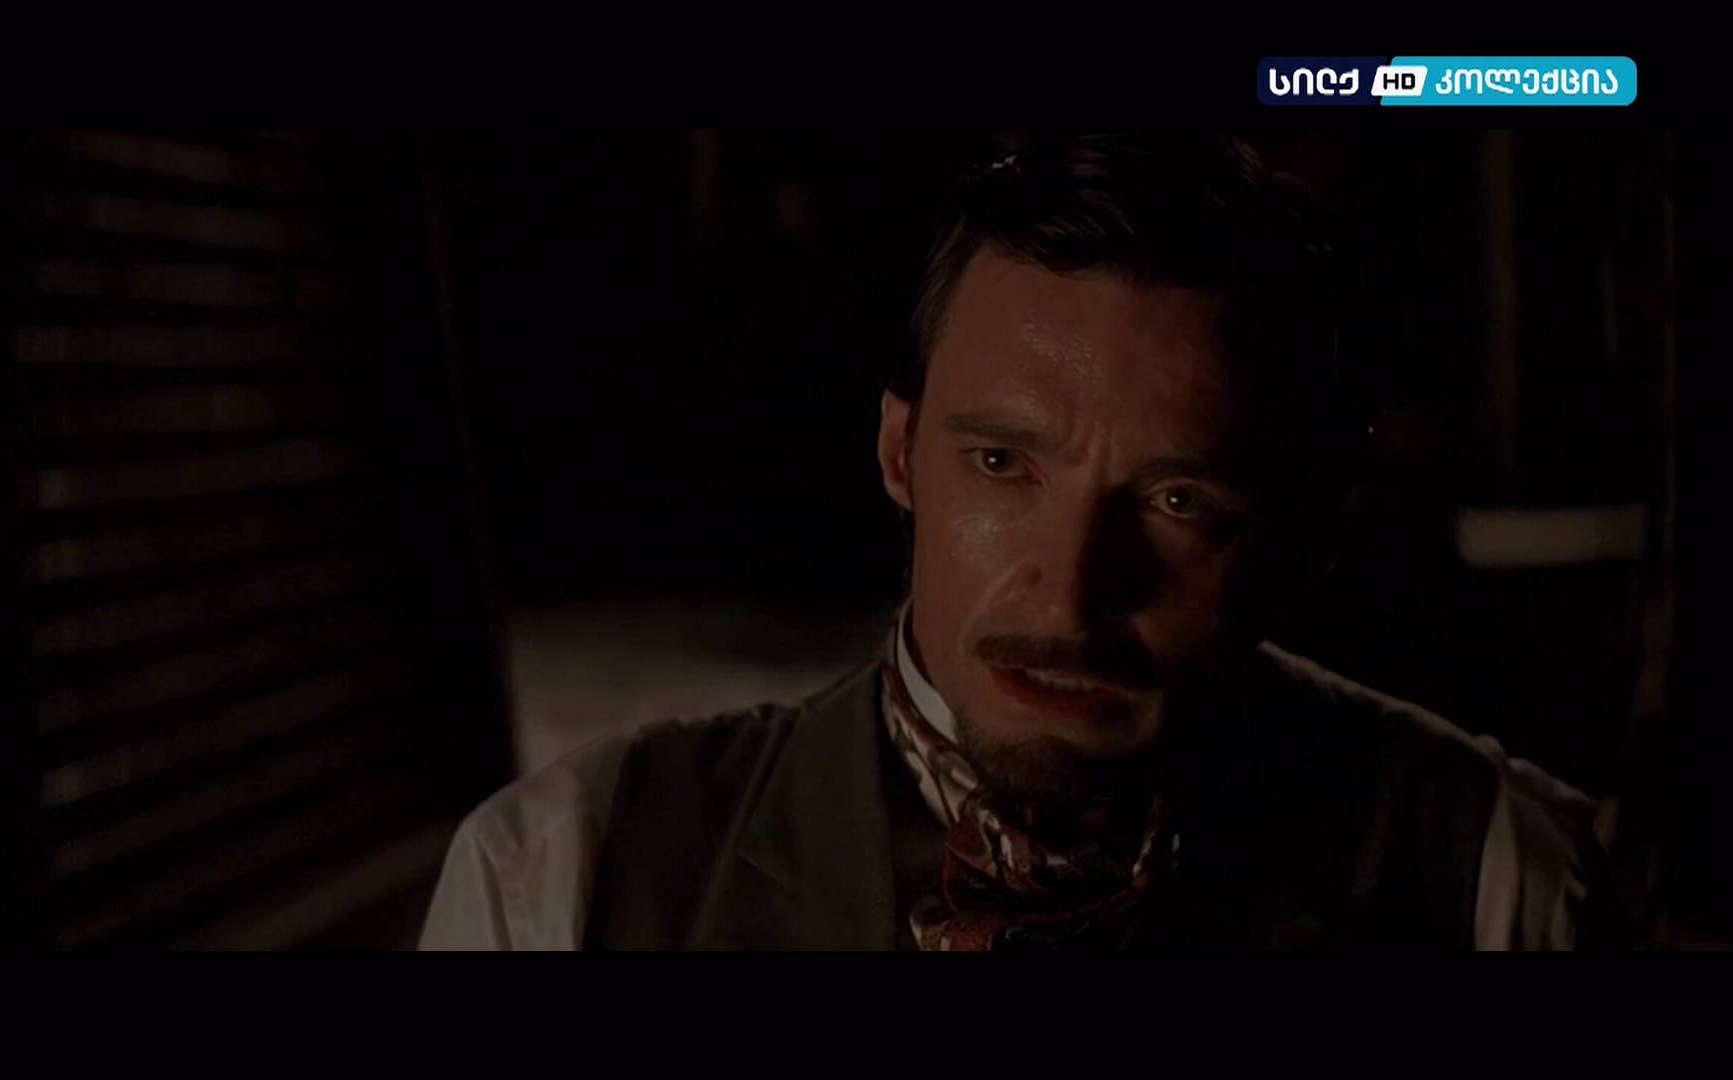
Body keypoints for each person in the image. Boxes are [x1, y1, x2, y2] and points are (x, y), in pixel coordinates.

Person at [419, 131, 1619, 950]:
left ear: (1298, 533)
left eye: (1178, 501)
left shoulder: (1495, 879)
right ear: (900, 455)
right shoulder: (565, 881)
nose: (1070, 596)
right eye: (1002, 466)